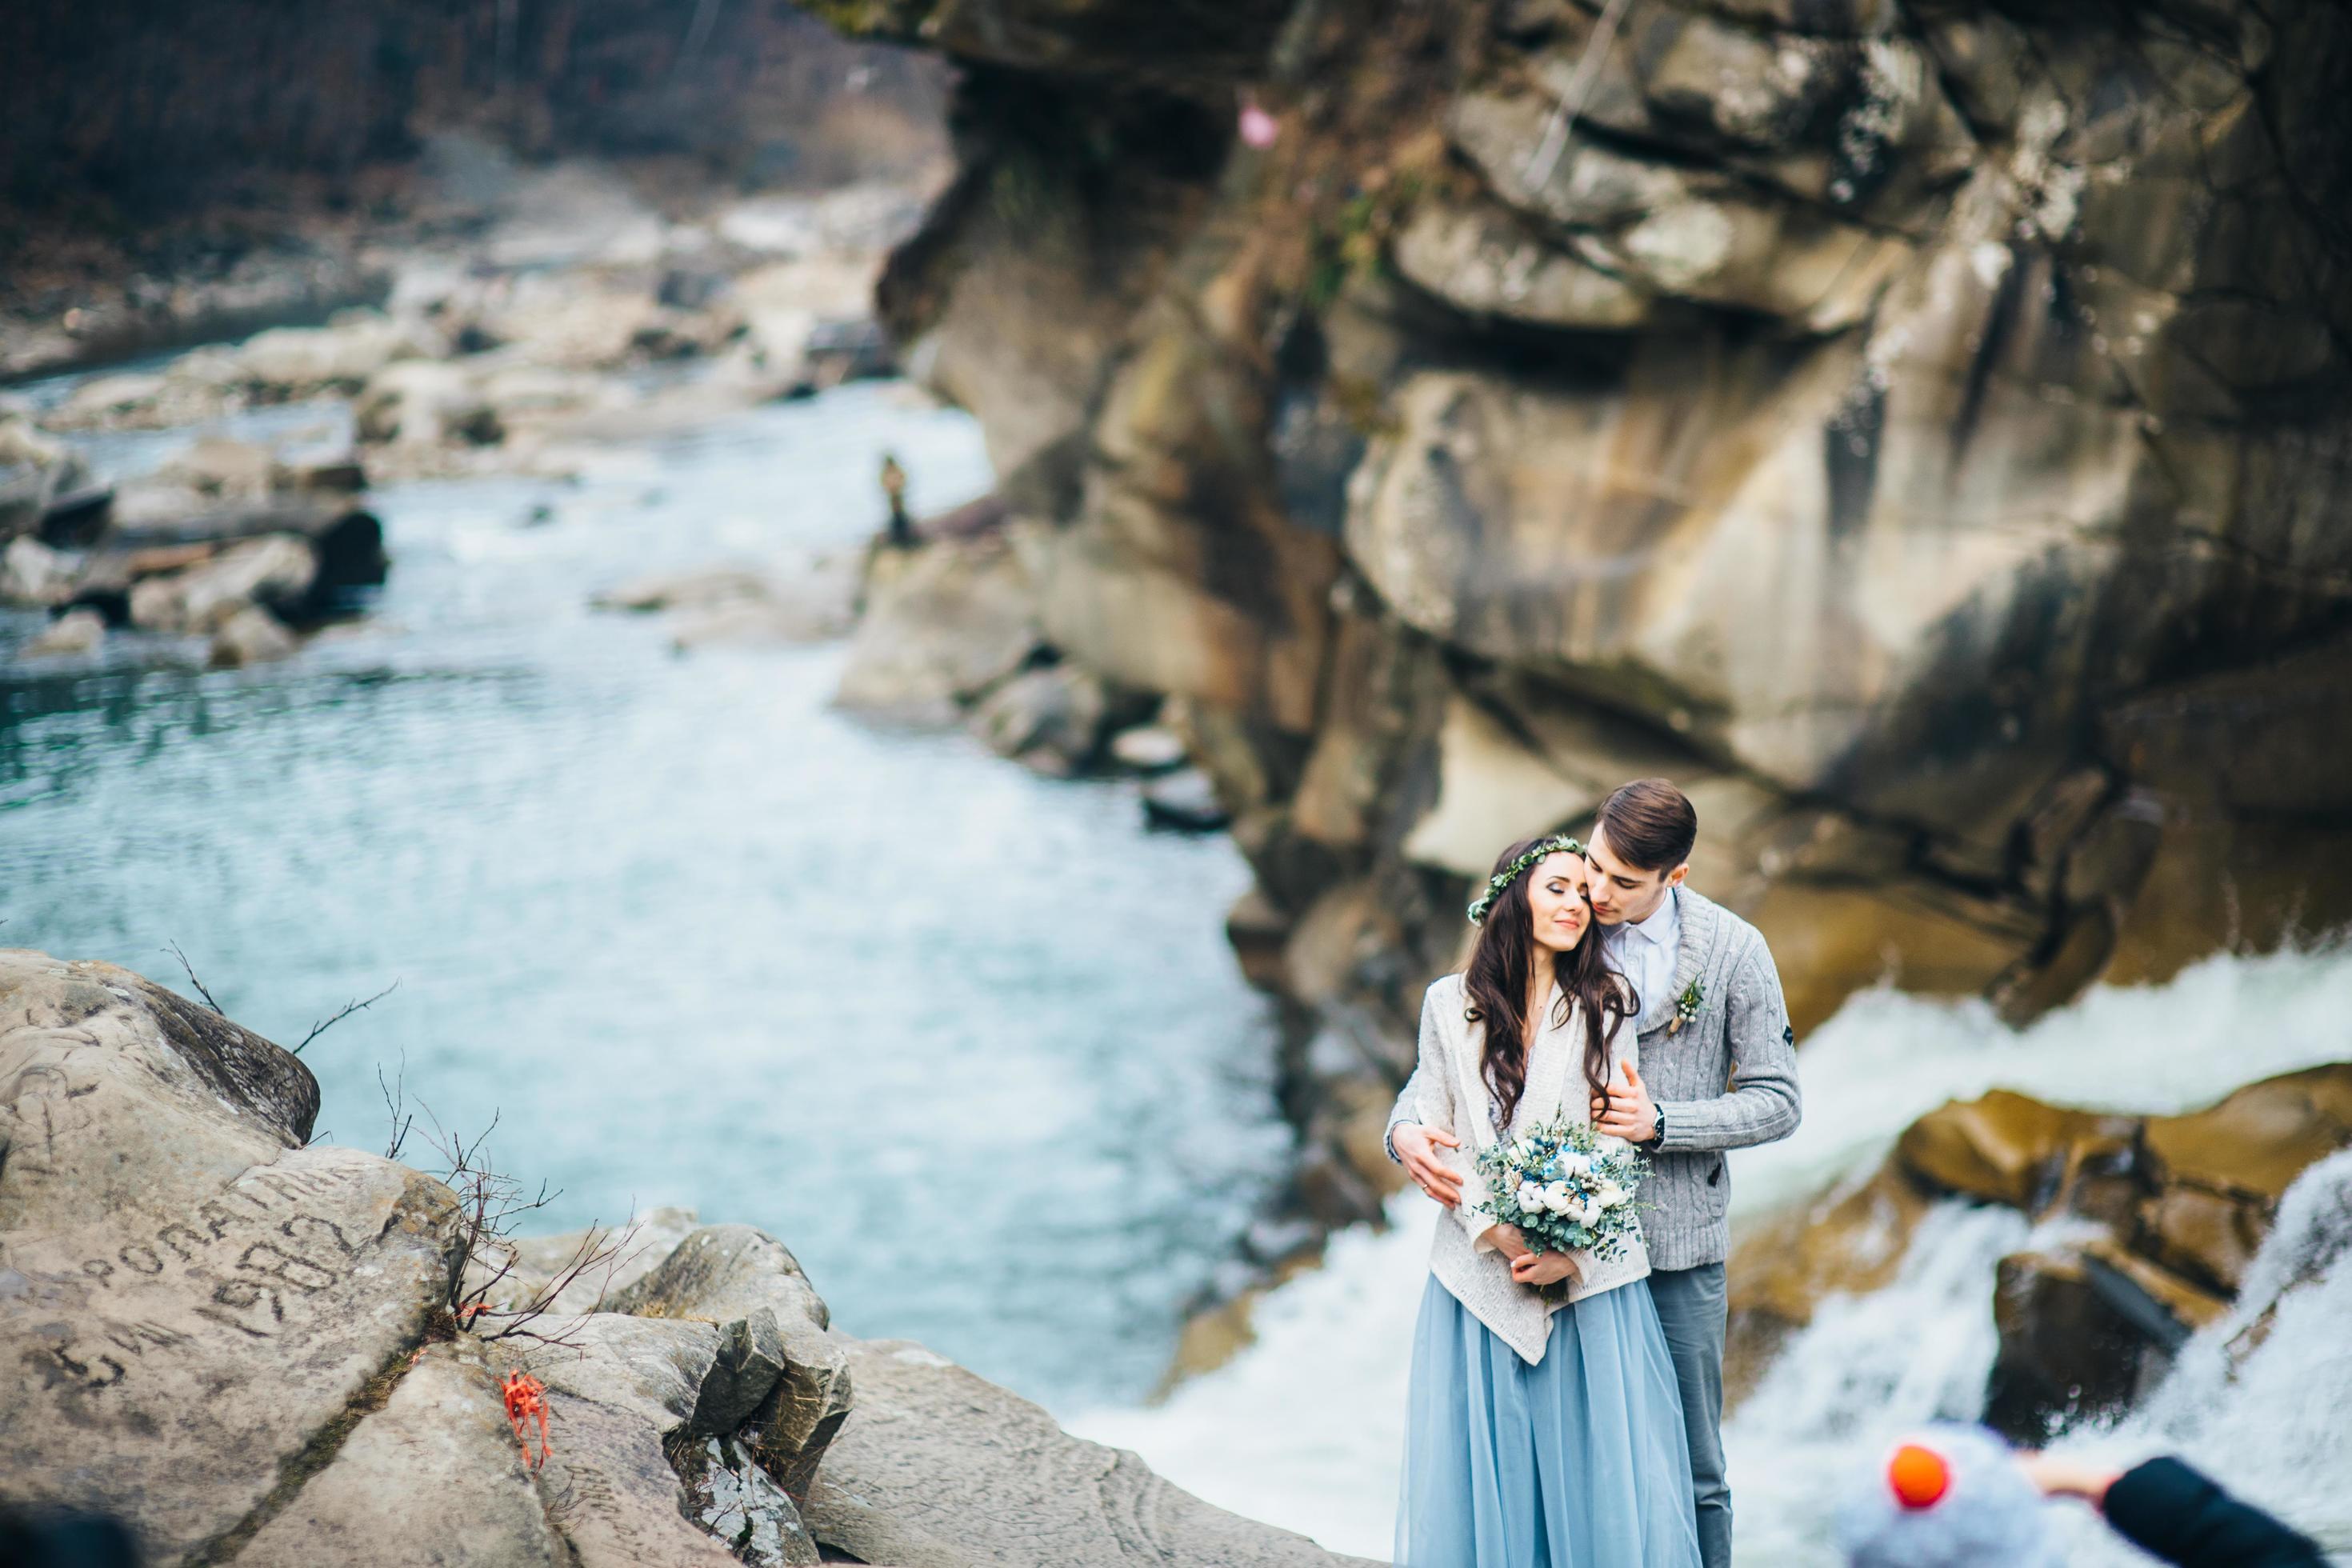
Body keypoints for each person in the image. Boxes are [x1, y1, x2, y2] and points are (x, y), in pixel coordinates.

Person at [1393, 778, 1802, 1568]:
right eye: (1593, 866)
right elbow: (1459, 1049)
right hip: (1540, 1248)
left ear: (1672, 879)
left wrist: (1663, 1125)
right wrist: (1402, 1126)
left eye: (1621, 882)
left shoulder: (1732, 951)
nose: (1598, 893)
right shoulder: (1560, 916)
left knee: (1688, 1466)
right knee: (1555, 1454)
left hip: (1673, 1246)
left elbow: (1779, 1101)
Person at [1386, 833, 1702, 1567]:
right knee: (1486, 1479)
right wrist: (1492, 1229)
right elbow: (1430, 1117)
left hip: (1587, 1284)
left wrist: (1573, 1250)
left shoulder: (1607, 1003)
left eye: (1582, 896)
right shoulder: (1447, 1004)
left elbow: (1617, 1138)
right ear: (1511, 897)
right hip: (1475, 1278)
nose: (1576, 905)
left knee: (1595, 1479)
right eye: (1556, 887)